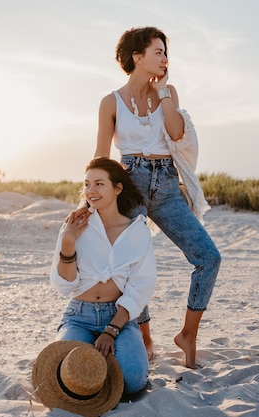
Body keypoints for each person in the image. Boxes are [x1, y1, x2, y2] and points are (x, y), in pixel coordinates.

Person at [94, 26, 221, 368]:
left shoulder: (169, 93)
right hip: (129, 184)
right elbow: (101, 158)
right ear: (137, 57)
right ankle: (146, 338)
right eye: (158, 52)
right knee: (134, 264)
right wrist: (91, 200)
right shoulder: (111, 102)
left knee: (208, 257)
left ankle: (188, 334)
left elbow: (176, 134)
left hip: (166, 184)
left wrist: (164, 94)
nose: (165, 58)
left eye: (166, 53)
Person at [50, 157, 157, 397]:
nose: (91, 191)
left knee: (132, 381)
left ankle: (113, 364)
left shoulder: (137, 231)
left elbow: (141, 287)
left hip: (119, 316)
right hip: (79, 315)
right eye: (87, 184)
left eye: (99, 184)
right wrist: (68, 242)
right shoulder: (74, 225)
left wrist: (111, 330)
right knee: (63, 374)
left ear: (117, 188)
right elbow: (65, 286)